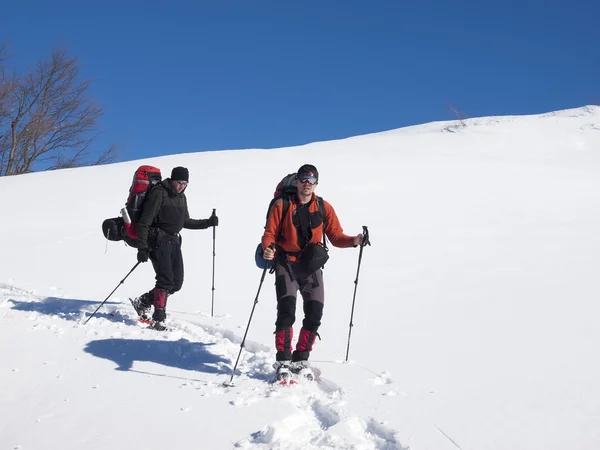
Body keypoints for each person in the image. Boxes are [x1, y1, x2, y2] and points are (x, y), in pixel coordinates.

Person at [261, 164, 364, 380]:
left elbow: (336, 236)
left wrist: (355, 241)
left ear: (316, 183)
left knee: (315, 313)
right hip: (286, 263)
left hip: (311, 266)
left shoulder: (323, 207)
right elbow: (269, 234)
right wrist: (268, 249)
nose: (307, 183)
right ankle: (283, 359)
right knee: (287, 310)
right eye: (303, 179)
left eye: (311, 179)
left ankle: (301, 357)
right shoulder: (282, 205)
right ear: (297, 181)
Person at [131, 166, 218, 330]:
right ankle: (158, 319)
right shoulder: (159, 193)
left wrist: (207, 223)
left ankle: (143, 301)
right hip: (157, 239)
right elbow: (144, 222)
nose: (182, 186)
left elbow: (185, 221)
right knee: (165, 279)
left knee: (176, 283)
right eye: (180, 182)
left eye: (185, 183)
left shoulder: (181, 197)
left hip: (174, 241)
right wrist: (142, 247)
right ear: (172, 180)